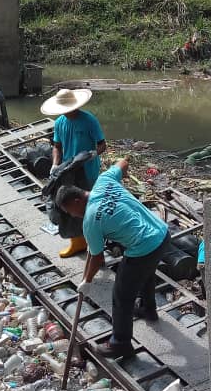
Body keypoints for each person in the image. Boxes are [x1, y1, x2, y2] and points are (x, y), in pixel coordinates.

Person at [55, 157, 171, 358]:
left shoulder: (90, 220)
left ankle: (120, 342)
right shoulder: (104, 181)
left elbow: (97, 257)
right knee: (146, 273)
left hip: (144, 246)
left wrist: (87, 281)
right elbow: (123, 162)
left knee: (121, 296)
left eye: (70, 211)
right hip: (162, 233)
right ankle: (147, 308)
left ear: (76, 201)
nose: (73, 216)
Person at [41, 87, 106, 259]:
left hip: (87, 170)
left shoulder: (89, 120)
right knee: (69, 207)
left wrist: (92, 154)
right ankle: (77, 242)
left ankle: (94, 243)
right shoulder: (60, 123)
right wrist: (55, 165)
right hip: (67, 170)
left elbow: (102, 145)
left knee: (87, 206)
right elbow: (57, 146)